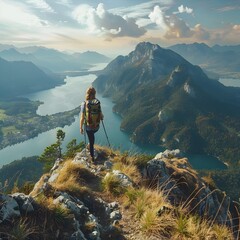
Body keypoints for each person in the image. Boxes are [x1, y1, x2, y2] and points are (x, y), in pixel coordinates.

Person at [80, 87, 103, 162]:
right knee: (92, 138)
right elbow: (101, 116)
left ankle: (92, 157)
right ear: (94, 93)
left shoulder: (84, 103)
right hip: (97, 127)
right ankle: (90, 145)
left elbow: (82, 117)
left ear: (87, 94)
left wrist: (81, 127)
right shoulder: (97, 102)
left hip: (89, 127)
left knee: (91, 141)